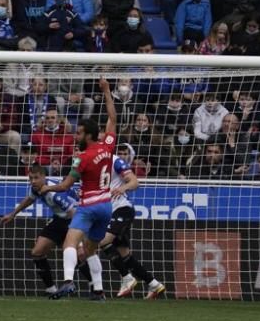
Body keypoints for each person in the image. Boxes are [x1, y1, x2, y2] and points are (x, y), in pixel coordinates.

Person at [40, 77, 115, 300]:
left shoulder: (82, 158)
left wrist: (47, 188)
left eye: (80, 133)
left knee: (69, 243)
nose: (76, 135)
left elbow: (64, 186)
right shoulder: (108, 146)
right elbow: (113, 117)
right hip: (107, 205)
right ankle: (99, 291)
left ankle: (68, 281)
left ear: (89, 135)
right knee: (91, 249)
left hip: (89, 205)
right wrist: (107, 91)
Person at [1, 164, 79, 296]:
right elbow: (29, 199)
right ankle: (51, 288)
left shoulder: (54, 193)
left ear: (44, 177)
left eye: (36, 178)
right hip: (59, 219)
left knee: (81, 254)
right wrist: (12, 214)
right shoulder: (36, 188)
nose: (33, 181)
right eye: (30, 178)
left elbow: (73, 212)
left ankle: (95, 287)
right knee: (37, 252)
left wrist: (79, 235)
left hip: (74, 219)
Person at [102, 143, 166, 299]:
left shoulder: (115, 160)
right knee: (126, 256)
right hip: (110, 211)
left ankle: (127, 278)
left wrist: (122, 188)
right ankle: (154, 284)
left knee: (103, 241)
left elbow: (135, 182)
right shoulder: (95, 163)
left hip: (122, 209)